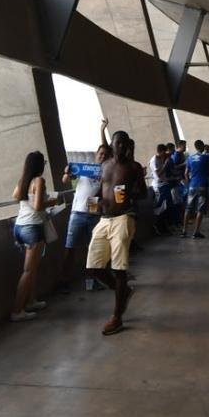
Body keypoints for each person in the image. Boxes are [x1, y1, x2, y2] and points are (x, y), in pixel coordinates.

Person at [86, 130, 147, 336]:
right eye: (117, 143)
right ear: (111, 144)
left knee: (119, 268)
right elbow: (101, 189)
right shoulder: (105, 165)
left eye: (123, 144)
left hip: (124, 217)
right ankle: (124, 291)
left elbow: (143, 193)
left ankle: (117, 317)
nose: (120, 147)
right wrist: (93, 202)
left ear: (127, 145)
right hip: (104, 219)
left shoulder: (134, 167)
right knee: (94, 267)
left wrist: (129, 192)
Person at [11, 151, 61, 322]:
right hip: (32, 228)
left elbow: (16, 196)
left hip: (19, 226)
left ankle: (31, 301)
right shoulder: (39, 180)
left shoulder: (23, 181)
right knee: (28, 270)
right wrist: (52, 202)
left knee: (31, 269)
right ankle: (17, 311)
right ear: (40, 165)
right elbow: (39, 206)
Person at [59, 143, 108, 293]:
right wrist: (67, 173)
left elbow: (100, 194)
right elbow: (65, 180)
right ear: (96, 154)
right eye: (101, 153)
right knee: (70, 249)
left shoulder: (106, 172)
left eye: (106, 155)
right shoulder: (85, 167)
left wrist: (98, 204)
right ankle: (64, 282)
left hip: (93, 213)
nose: (103, 156)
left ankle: (90, 282)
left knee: (91, 250)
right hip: (77, 213)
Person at [182, 139, 209, 239]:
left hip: (192, 185)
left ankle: (184, 231)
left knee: (188, 208)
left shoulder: (190, 158)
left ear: (195, 147)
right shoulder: (207, 157)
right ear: (203, 146)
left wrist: (189, 184)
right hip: (203, 185)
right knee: (200, 209)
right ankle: (196, 232)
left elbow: (186, 173)